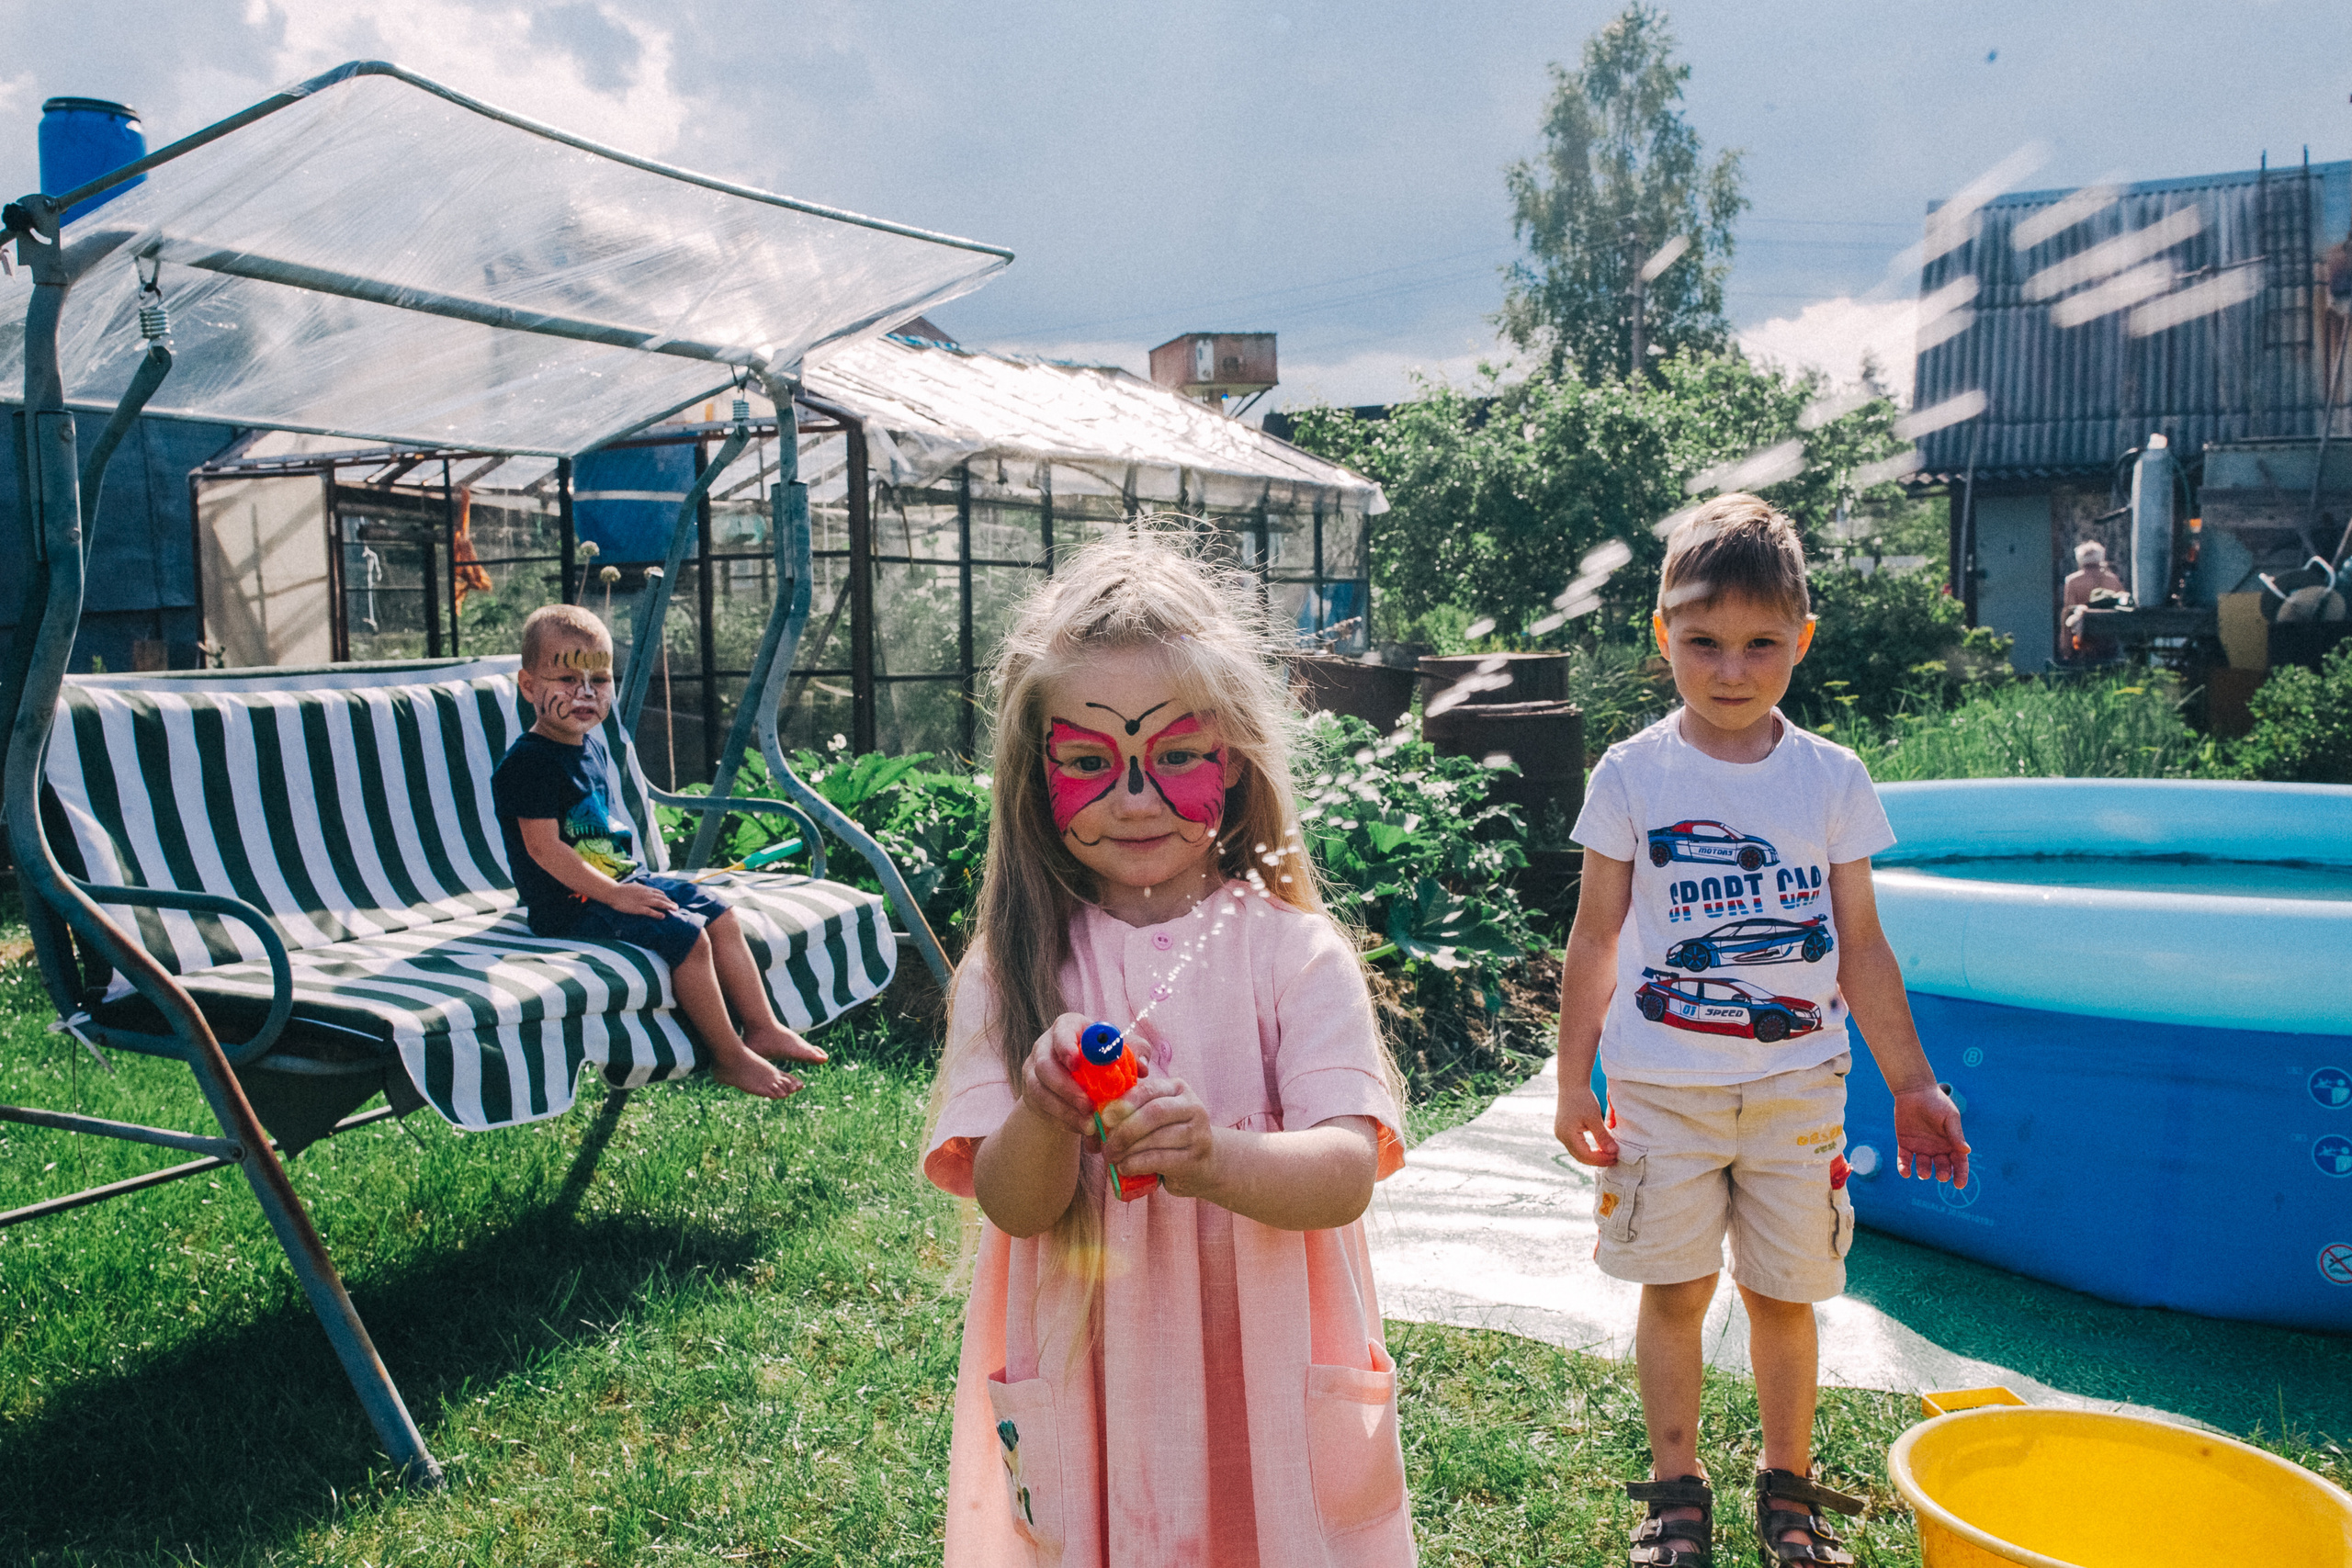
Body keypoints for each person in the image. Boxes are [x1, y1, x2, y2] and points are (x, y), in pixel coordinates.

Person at [922, 529, 1413, 1567]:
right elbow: (1013, 1205)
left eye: (1177, 755)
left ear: (1233, 760)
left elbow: (1345, 1171)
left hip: (1266, 1382)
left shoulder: (1293, 954)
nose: (1136, 796)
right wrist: (1044, 1112)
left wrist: (1214, 1157)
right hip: (1087, 1389)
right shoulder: (1009, 972)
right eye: (1089, 762)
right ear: (1036, 774)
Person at [1553, 495, 1970, 1568]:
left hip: (1798, 1091)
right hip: (1660, 1093)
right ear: (1662, 634)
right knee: (1675, 1291)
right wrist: (1570, 1081)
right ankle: (1674, 1491)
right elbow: (1594, 937)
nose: (1730, 671)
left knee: (1786, 1296)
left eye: (1760, 645)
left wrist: (1912, 1082)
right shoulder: (1631, 775)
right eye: (1703, 642)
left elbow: (1861, 946)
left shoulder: (1830, 778)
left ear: (1801, 640)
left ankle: (1789, 1490)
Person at [492, 604, 827, 1100]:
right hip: (568, 905)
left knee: (720, 913)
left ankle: (762, 1027)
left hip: (619, 885)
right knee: (687, 937)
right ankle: (729, 1056)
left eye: (599, 679)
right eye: (565, 678)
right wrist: (616, 896)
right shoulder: (529, 763)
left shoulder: (590, 745)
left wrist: (625, 888)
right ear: (527, 686)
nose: (585, 693)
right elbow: (545, 851)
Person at [2062, 539, 2128, 661]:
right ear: (2101, 558)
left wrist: (2065, 643)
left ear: (2080, 559)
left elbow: (2068, 611)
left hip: (2084, 634)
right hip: (2109, 633)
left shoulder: (2073, 581)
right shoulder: (2112, 580)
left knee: (2085, 665)